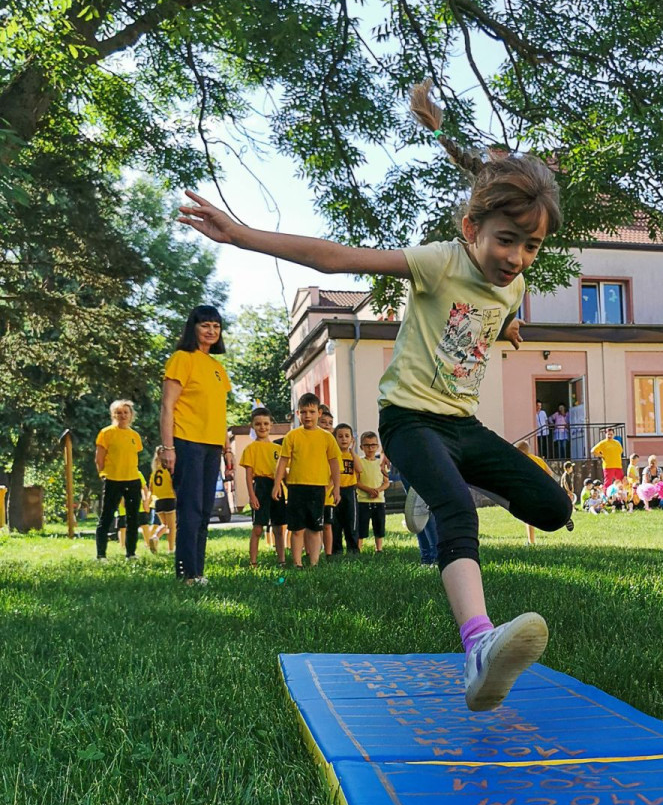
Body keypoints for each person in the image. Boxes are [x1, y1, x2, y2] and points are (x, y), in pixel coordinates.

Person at [179, 81, 571, 710]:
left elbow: (493, 201)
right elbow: (334, 259)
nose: (516, 258)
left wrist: (511, 324)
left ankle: (441, 488)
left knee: (553, 508)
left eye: (531, 248)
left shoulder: (512, 284)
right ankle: (477, 645)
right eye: (505, 241)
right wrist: (243, 235)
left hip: (462, 427)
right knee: (457, 518)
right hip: (410, 421)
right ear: (472, 229)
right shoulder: (440, 261)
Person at [159, 305, 233, 584]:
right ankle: (185, 574)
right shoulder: (182, 358)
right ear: (194, 328)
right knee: (189, 509)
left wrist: (227, 450)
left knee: (204, 510)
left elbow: (219, 413)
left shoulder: (217, 368)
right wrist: (168, 448)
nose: (211, 331)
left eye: (216, 326)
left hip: (213, 446)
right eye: (205, 325)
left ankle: (197, 572)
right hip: (187, 443)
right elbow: (167, 406)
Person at [272, 393, 341, 568]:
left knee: (315, 528)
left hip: (318, 488)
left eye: (311, 411)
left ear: (319, 413)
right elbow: (282, 462)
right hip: (296, 488)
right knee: (297, 529)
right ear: (298, 414)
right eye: (303, 412)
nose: (307, 416)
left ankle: (314, 563)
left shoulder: (327, 437)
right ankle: (297, 563)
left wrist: (337, 488)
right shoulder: (292, 436)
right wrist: (277, 484)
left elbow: (334, 464)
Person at [95, 399, 143, 561]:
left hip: (132, 480)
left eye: (125, 412)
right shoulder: (106, 433)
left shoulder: (135, 436)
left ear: (131, 415)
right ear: (113, 415)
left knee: (132, 518)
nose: (122, 416)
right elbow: (99, 458)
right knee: (107, 516)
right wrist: (103, 474)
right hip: (113, 479)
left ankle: (131, 553)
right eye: (119, 413)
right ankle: (101, 555)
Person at [240, 406, 286, 567]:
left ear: (271, 425)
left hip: (276, 487)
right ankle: (253, 562)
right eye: (258, 424)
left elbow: (283, 471)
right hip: (260, 487)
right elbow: (248, 475)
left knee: (279, 528)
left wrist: (280, 483)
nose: (262, 427)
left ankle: (281, 560)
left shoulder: (278, 449)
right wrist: (252, 496)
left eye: (265, 423)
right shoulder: (250, 449)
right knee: (258, 527)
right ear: (253, 426)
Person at [515, 440, 554, 544]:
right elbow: (550, 473)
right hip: (541, 490)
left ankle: (531, 541)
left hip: (530, 491)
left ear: (521, 452)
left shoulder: (523, 461)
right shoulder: (538, 459)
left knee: (528, 518)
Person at [332, 423, 363, 555]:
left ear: (351, 439)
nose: (344, 439)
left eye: (347, 436)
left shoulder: (352, 455)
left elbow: (360, 469)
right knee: (335, 522)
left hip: (349, 491)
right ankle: (336, 549)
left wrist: (352, 450)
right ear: (335, 439)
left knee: (351, 521)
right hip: (334, 490)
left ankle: (353, 549)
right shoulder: (333, 455)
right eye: (340, 436)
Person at [357, 431, 390, 552]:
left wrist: (378, 490)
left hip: (379, 500)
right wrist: (368, 490)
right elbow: (356, 481)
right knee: (361, 526)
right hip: (363, 500)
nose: (370, 448)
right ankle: (358, 547)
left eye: (373, 445)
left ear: (377, 446)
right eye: (367, 445)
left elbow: (386, 482)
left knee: (379, 525)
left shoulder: (380, 463)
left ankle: (379, 548)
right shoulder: (359, 462)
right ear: (361, 447)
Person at [148, 447, 177, 552]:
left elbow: (151, 488)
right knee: (172, 527)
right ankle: (171, 549)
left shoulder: (154, 472)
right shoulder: (168, 470)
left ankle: (155, 537)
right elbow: (173, 484)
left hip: (158, 501)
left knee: (164, 525)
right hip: (169, 498)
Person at [318, 406, 336, 556]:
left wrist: (328, 487)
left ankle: (329, 553)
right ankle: (314, 551)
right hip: (313, 490)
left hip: (328, 493)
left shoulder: (333, 445)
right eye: (323, 422)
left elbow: (336, 470)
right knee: (313, 525)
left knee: (327, 525)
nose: (327, 425)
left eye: (330, 423)